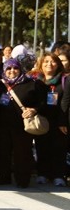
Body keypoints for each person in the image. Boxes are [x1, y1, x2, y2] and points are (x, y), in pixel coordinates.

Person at [0, 58, 46, 188]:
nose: (12, 71)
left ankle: (23, 179)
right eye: (9, 68)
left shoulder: (32, 84)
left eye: (15, 68)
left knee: (22, 153)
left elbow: (42, 102)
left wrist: (34, 110)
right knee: (3, 151)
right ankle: (4, 177)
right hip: (3, 124)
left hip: (22, 125)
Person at [37, 53, 68, 186]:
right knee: (41, 147)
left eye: (53, 61)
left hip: (58, 120)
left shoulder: (65, 80)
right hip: (41, 119)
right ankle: (42, 174)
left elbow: (65, 102)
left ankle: (58, 175)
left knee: (59, 148)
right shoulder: (36, 80)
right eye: (46, 61)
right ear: (41, 64)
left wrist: (62, 121)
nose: (49, 64)